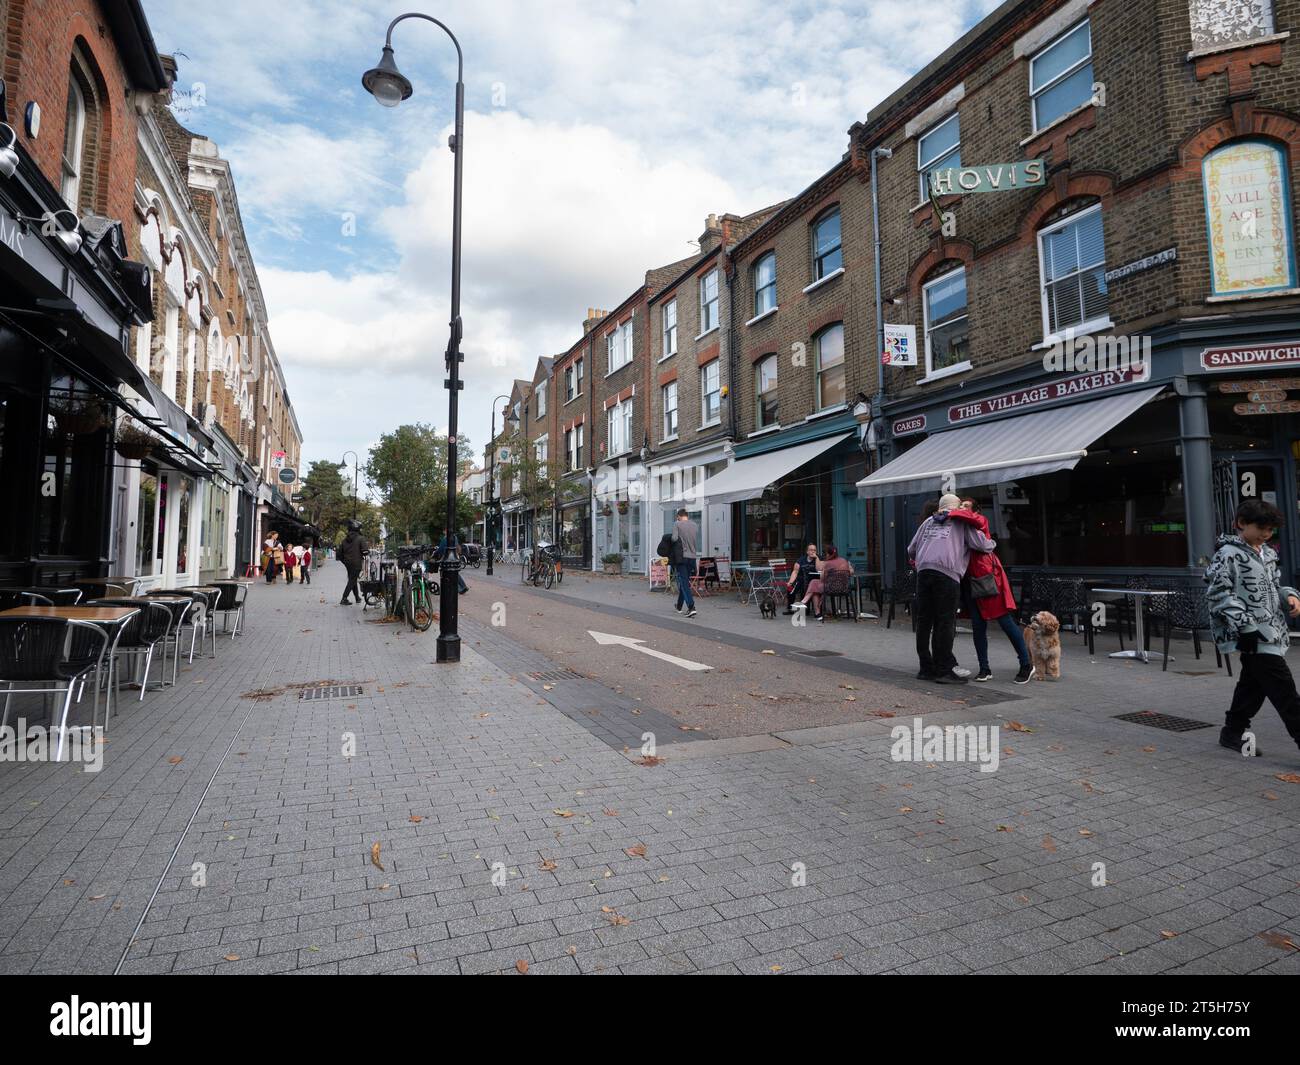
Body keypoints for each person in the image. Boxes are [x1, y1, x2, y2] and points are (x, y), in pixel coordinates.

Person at [1205, 499, 1300, 757]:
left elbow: (1273, 585)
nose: (1266, 535)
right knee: (1286, 694)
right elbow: (1219, 593)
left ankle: (1232, 732)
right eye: (1262, 528)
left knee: (1253, 686)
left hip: (1272, 630)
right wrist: (1245, 626)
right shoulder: (1227, 554)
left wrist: (1289, 596)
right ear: (1241, 524)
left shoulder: (1268, 553)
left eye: (1270, 530)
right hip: (1254, 634)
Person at [908, 493, 996, 684]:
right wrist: (993, 543)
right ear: (956, 508)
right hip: (946, 574)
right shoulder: (960, 522)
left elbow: (911, 549)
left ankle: (925, 668)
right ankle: (943, 670)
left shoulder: (927, 522)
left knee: (924, 621)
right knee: (945, 622)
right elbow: (982, 545)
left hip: (923, 573)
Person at [948, 500, 1034, 683]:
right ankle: (984, 668)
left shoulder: (979, 521)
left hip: (988, 581)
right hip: (973, 582)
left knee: (1006, 622)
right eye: (960, 505)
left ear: (975, 510)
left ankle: (1026, 664)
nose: (961, 508)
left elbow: (966, 518)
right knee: (979, 627)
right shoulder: (963, 526)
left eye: (965, 505)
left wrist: (949, 511)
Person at [795, 545, 852, 620]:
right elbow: (851, 572)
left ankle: (812, 608)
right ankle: (814, 610)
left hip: (831, 588)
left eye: (826, 554)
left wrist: (819, 562)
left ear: (828, 554)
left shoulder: (828, 563)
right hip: (845, 587)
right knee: (814, 584)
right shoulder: (844, 560)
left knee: (814, 584)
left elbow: (822, 578)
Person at [671, 508, 699, 618]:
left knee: (683, 582)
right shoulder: (695, 525)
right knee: (685, 581)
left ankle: (691, 607)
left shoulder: (677, 524)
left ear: (679, 516)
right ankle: (679, 605)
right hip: (692, 557)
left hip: (682, 557)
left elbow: (674, 538)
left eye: (677, 517)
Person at [785, 544, 820, 615]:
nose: (813, 552)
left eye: (814, 550)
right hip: (801, 579)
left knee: (808, 587)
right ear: (807, 551)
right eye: (811, 550)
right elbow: (795, 571)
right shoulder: (801, 560)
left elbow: (819, 568)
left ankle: (808, 608)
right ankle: (790, 608)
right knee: (791, 588)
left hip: (814, 581)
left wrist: (817, 558)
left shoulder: (818, 558)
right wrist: (790, 582)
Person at [338, 520, 367, 606]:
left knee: (352, 579)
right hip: (357, 563)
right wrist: (365, 552)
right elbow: (365, 551)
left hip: (348, 563)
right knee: (352, 580)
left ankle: (357, 597)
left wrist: (345, 561)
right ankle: (344, 598)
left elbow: (339, 554)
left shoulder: (344, 540)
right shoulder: (361, 538)